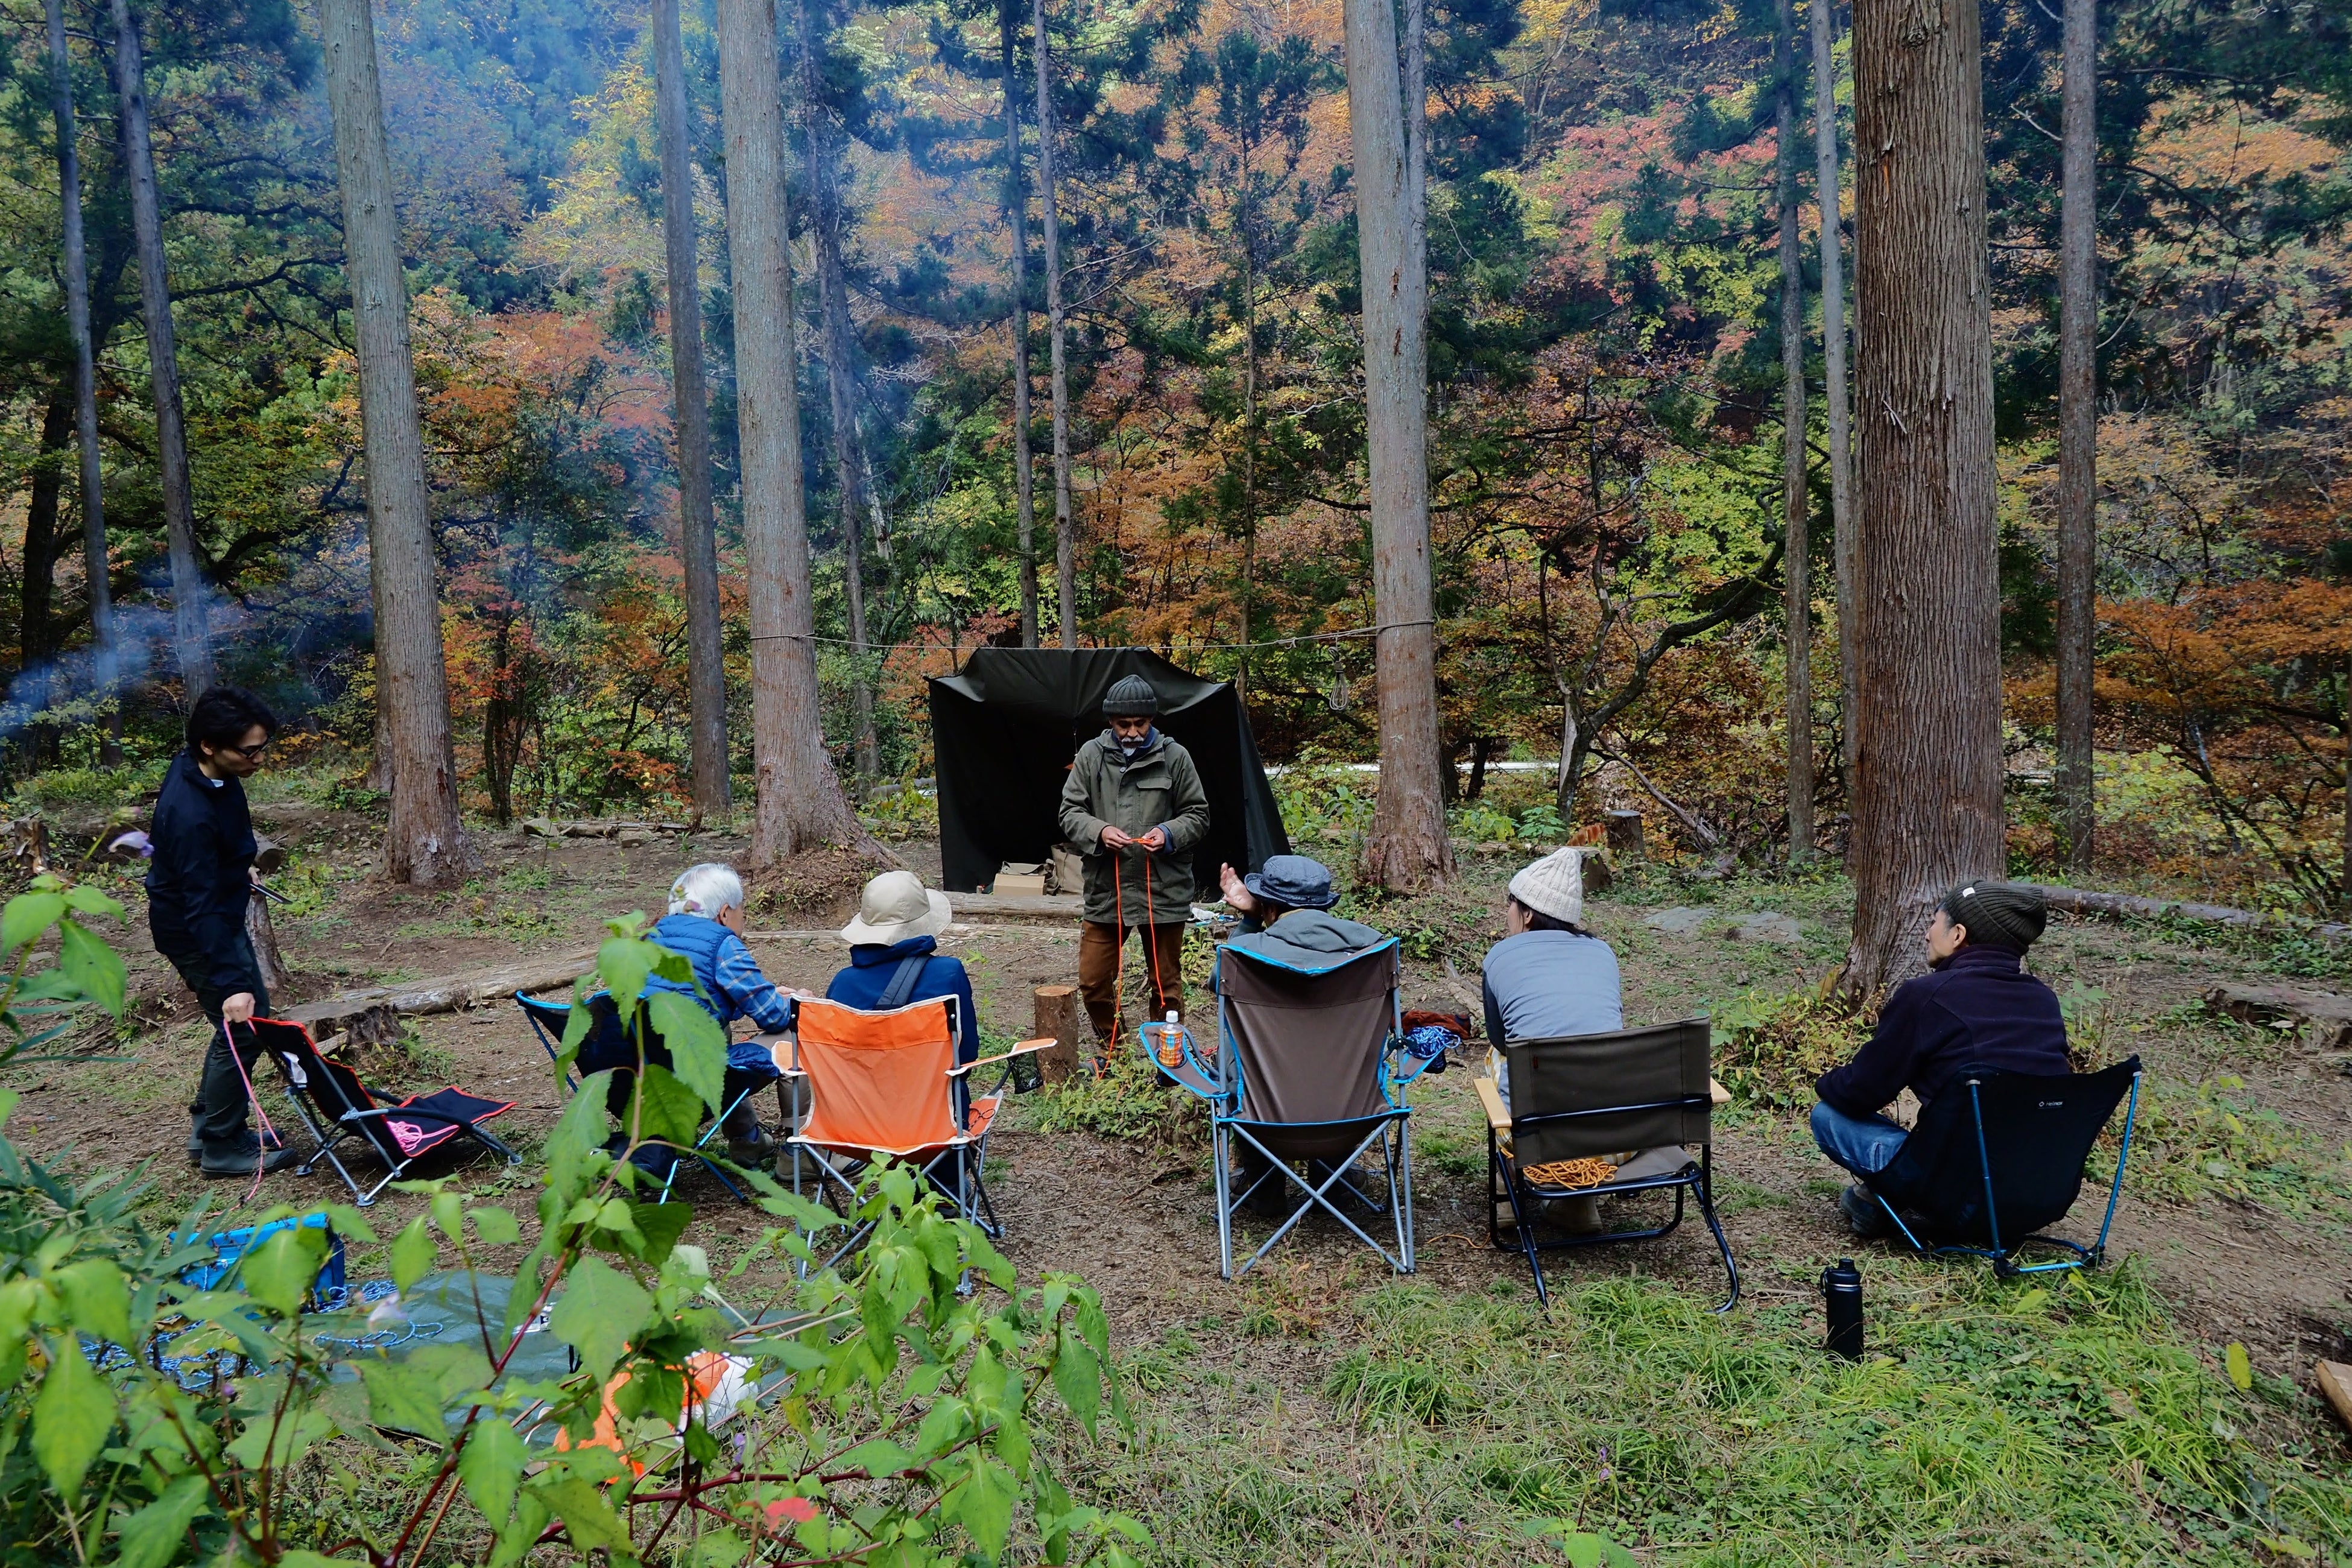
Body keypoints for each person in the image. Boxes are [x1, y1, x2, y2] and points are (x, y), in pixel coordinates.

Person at [1812, 880, 2070, 1238]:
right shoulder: (2045, 1000)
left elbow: (1861, 1091)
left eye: (1934, 922)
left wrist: (1824, 1082)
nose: (1927, 934)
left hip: (1960, 1196)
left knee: (1828, 1115)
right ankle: (1883, 1200)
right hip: (2039, 1196)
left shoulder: (1927, 996)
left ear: (1958, 934)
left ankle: (1883, 1201)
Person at [1481, 846, 1682, 1232]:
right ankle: (1579, 1207)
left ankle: (1507, 1194)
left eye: (1510, 904)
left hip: (1532, 1141)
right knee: (1592, 1062)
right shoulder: (1602, 953)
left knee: (1500, 1059)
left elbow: (1502, 1040)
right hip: (1620, 1137)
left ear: (1527, 913)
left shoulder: (1500, 956)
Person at [150, 686, 294, 1178]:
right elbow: (202, 906)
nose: (259, 758)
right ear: (210, 745)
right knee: (243, 1028)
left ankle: (208, 1126)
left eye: (262, 746)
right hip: (196, 929)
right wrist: (232, 984)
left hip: (210, 912)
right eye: (249, 750)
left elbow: (218, 856)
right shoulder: (188, 814)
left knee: (240, 1027)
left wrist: (239, 868)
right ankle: (221, 1145)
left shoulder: (208, 771)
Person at [1058, 674, 1210, 1046]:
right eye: (1123, 724)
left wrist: (1169, 834)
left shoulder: (1175, 757)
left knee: (1166, 988)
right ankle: (1118, 1054)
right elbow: (1069, 812)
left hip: (1164, 890)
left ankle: (1166, 1064)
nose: (1132, 732)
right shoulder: (1091, 757)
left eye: (1140, 724)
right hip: (1108, 891)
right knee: (1093, 983)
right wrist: (1099, 831)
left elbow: (1198, 814)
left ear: (1152, 721)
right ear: (1110, 722)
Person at [644, 863, 802, 1163]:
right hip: (696, 1082)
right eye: (742, 910)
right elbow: (775, 1018)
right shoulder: (721, 943)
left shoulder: (648, 939)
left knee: (714, 1031)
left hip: (643, 1082)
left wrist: (760, 996)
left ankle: (749, 1138)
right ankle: (801, 1151)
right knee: (793, 1033)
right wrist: (794, 1000)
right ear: (725, 912)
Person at [826, 870, 981, 1065]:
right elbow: (967, 1053)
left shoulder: (843, 983)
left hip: (858, 1096)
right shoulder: (948, 973)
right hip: (937, 1095)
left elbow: (836, 1060)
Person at [1215, 854, 1385, 967]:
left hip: (1269, 1023)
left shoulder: (1246, 953)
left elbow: (1221, 979)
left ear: (1272, 911)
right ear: (1324, 904)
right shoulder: (1375, 949)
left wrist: (1252, 920)